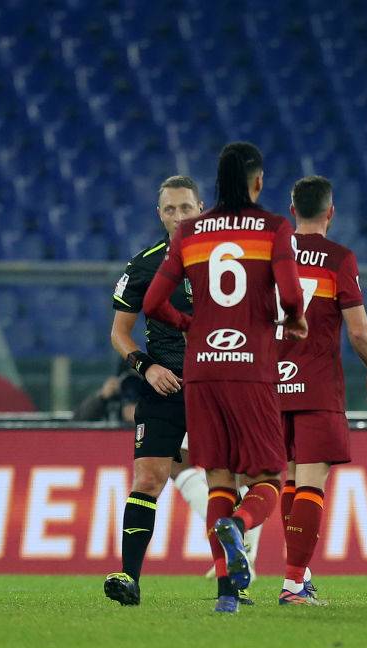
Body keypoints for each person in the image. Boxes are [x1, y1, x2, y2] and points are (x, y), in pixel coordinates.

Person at [143, 142, 306, 613]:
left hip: (202, 369)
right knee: (268, 478)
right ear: (258, 181)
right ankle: (238, 525)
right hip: (251, 366)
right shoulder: (274, 227)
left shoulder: (189, 232)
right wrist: (294, 319)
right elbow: (290, 295)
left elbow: (152, 303)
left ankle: (226, 594)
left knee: (218, 480)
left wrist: (189, 325)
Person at [103, 176, 214, 606]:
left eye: (186, 207)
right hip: (165, 386)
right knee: (148, 478)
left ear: (201, 209)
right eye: (170, 209)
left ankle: (234, 581)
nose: (179, 216)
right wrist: (145, 367)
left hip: (218, 385)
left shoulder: (227, 259)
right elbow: (120, 334)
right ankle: (129, 579)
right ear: (159, 214)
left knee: (226, 481)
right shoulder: (143, 266)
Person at [276, 176, 367, 606]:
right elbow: (358, 329)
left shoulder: (271, 253)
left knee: (289, 479)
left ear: (292, 210)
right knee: (310, 483)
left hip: (271, 382)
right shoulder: (338, 258)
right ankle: (292, 584)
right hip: (316, 383)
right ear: (331, 212)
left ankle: (299, 576)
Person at [74, 362, 141, 424]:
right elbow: (76, 423)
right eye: (129, 378)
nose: (133, 384)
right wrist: (101, 397)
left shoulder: (146, 401)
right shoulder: (112, 399)